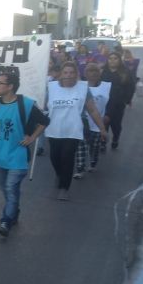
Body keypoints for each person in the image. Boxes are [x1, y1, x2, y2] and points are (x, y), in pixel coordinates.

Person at [0, 73, 48, 237]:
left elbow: (44, 121)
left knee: (11, 187)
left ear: (10, 87)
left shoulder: (26, 104)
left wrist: (32, 137)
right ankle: (13, 209)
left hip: (18, 155)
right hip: (1, 155)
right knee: (6, 188)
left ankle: (5, 220)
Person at [44, 63, 107, 200]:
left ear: (76, 74)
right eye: (65, 72)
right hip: (54, 129)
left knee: (67, 157)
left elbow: (92, 110)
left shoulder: (83, 89)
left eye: (72, 72)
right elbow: (42, 107)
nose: (68, 75)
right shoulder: (52, 88)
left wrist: (102, 128)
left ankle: (64, 188)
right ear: (61, 74)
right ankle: (59, 174)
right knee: (55, 157)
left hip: (73, 130)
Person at [74, 63, 109, 177]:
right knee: (81, 144)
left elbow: (112, 103)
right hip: (83, 122)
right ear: (85, 73)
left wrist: (108, 116)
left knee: (94, 146)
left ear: (99, 73)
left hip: (97, 122)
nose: (93, 73)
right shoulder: (80, 86)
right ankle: (80, 169)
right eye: (90, 71)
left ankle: (93, 163)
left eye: (95, 71)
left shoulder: (106, 86)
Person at [101, 52, 136, 150]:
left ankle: (115, 138)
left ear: (119, 60)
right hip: (105, 103)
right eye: (110, 58)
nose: (112, 60)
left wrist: (126, 99)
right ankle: (103, 142)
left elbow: (131, 87)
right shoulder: (103, 72)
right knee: (104, 123)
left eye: (115, 58)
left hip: (118, 104)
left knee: (116, 125)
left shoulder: (125, 72)